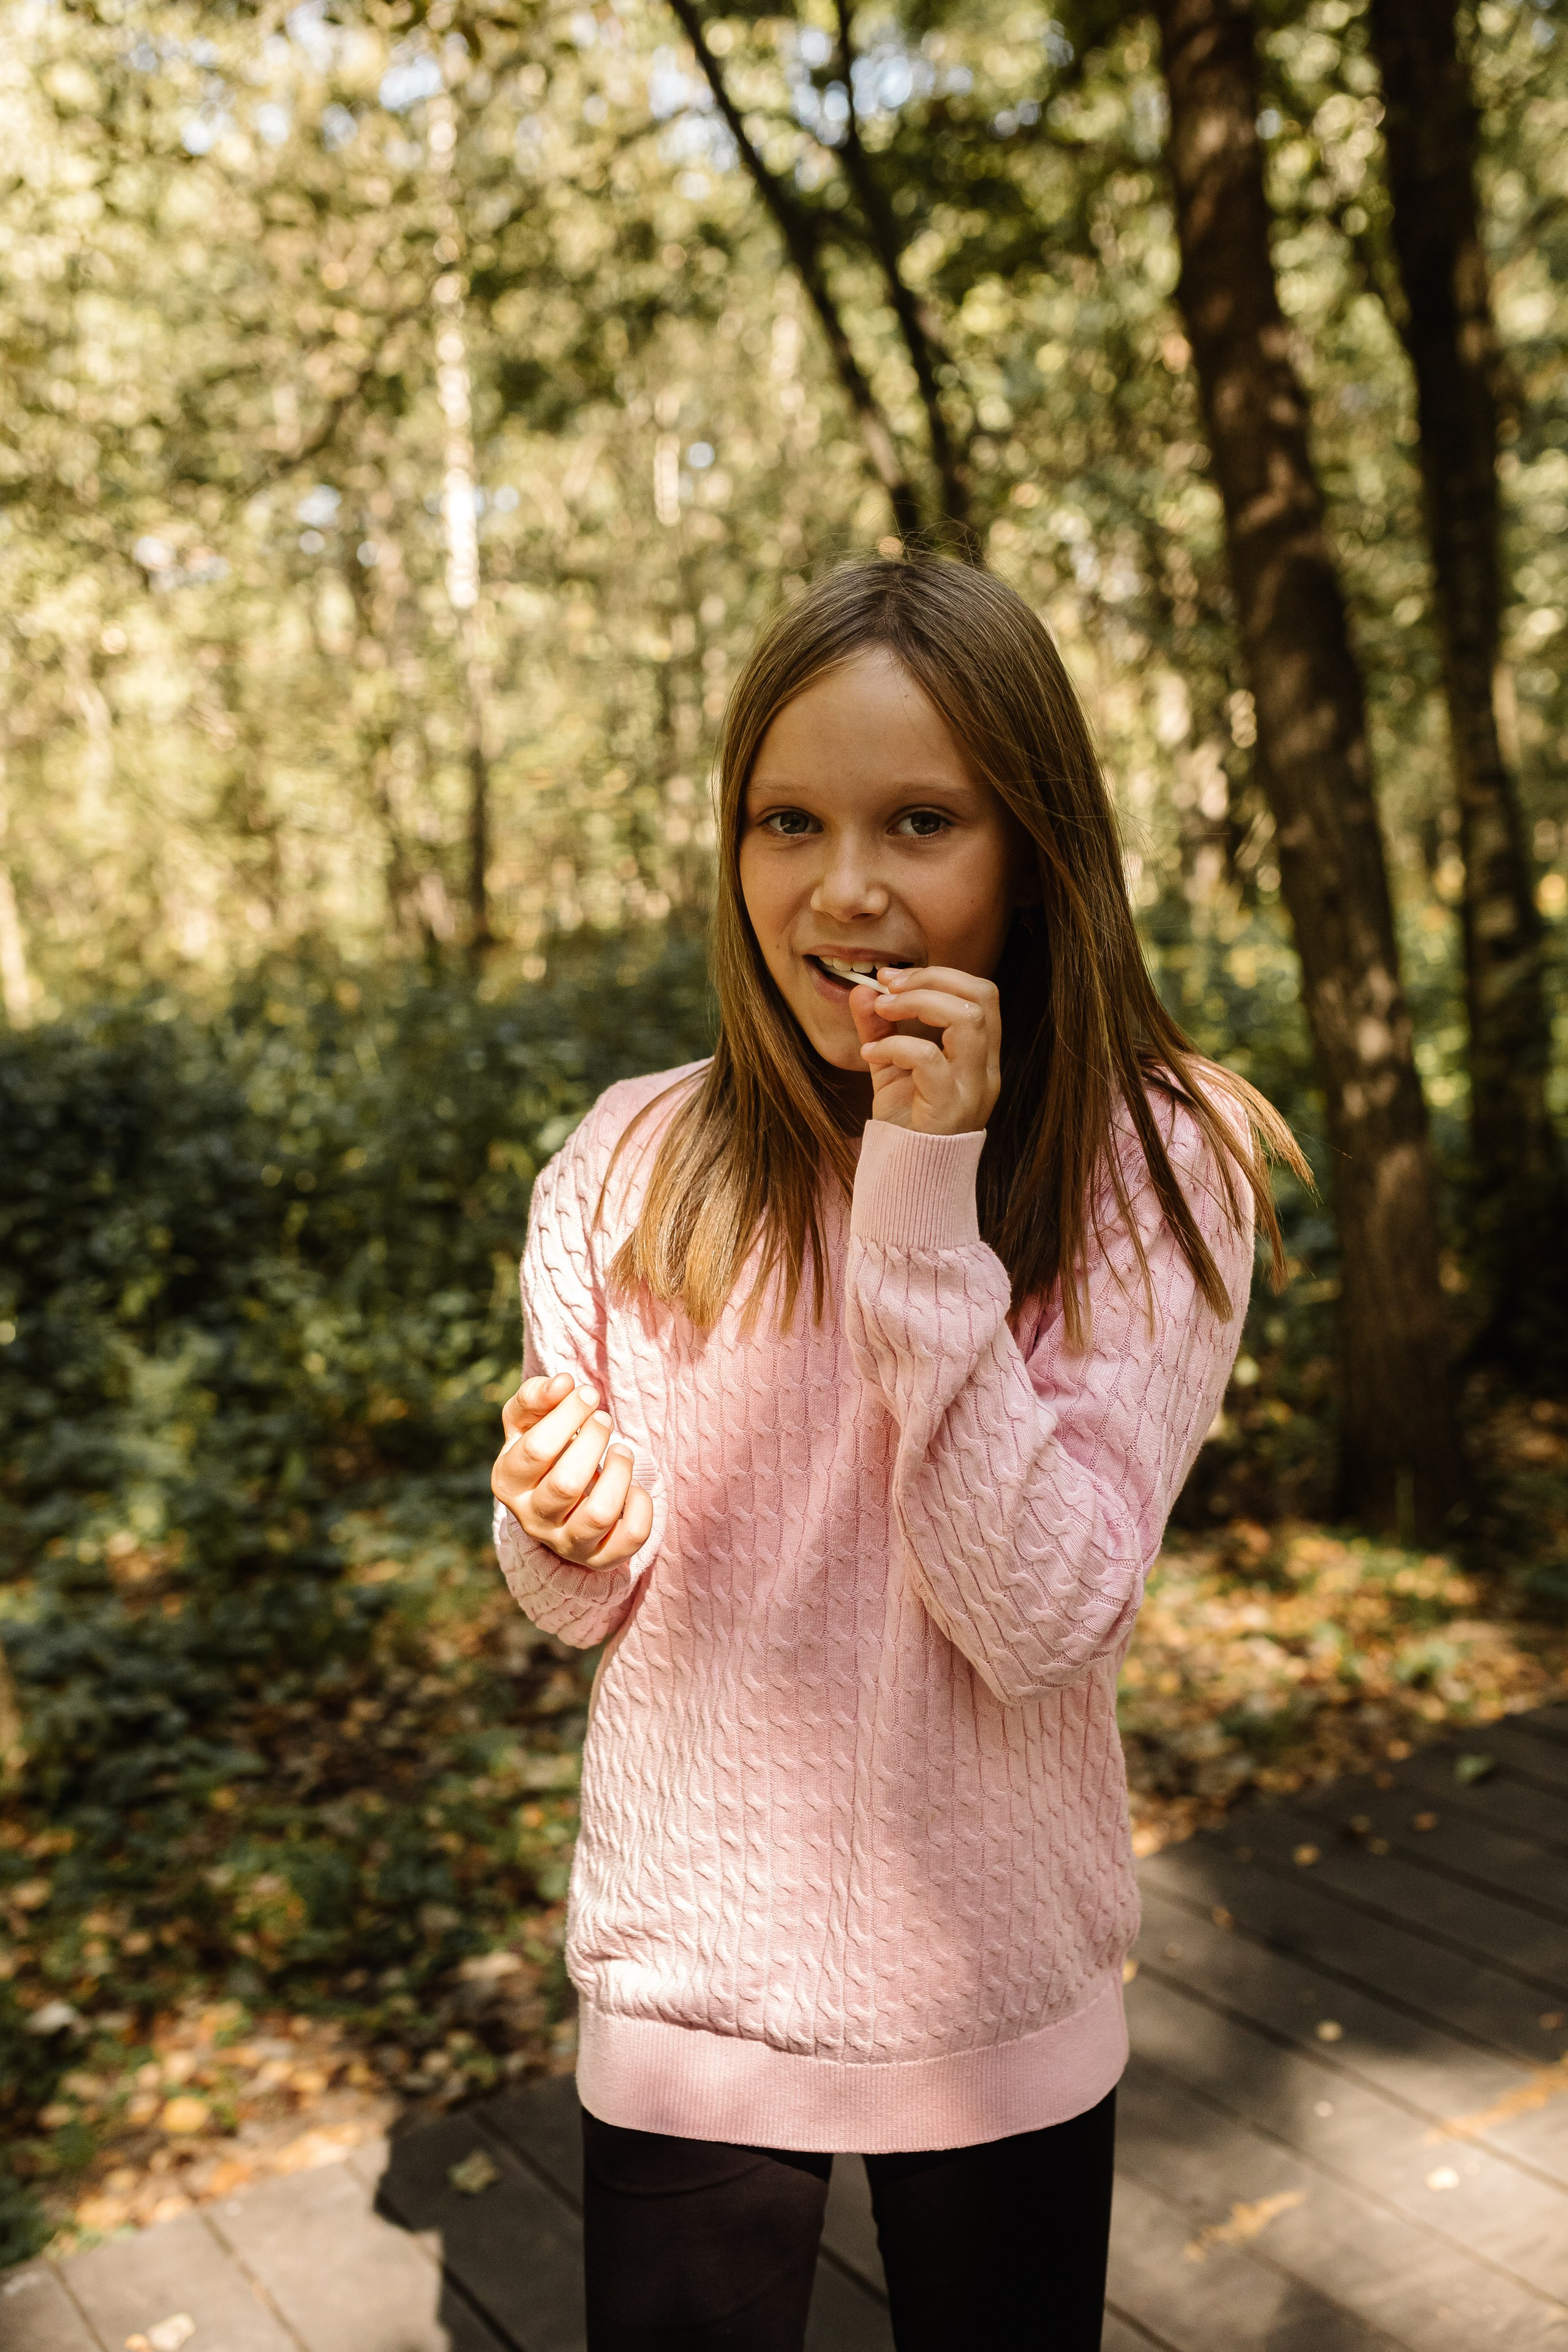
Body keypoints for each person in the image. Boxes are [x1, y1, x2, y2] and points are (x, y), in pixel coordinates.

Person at [491, 556, 1305, 2350]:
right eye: (788, 820)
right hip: (692, 2003)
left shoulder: (1158, 1158)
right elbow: (578, 1598)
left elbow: (1040, 1617)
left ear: (1035, 849)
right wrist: (559, 1518)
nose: (844, 886)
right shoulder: (629, 1157)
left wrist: (924, 1187)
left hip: (996, 1994)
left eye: (921, 821)